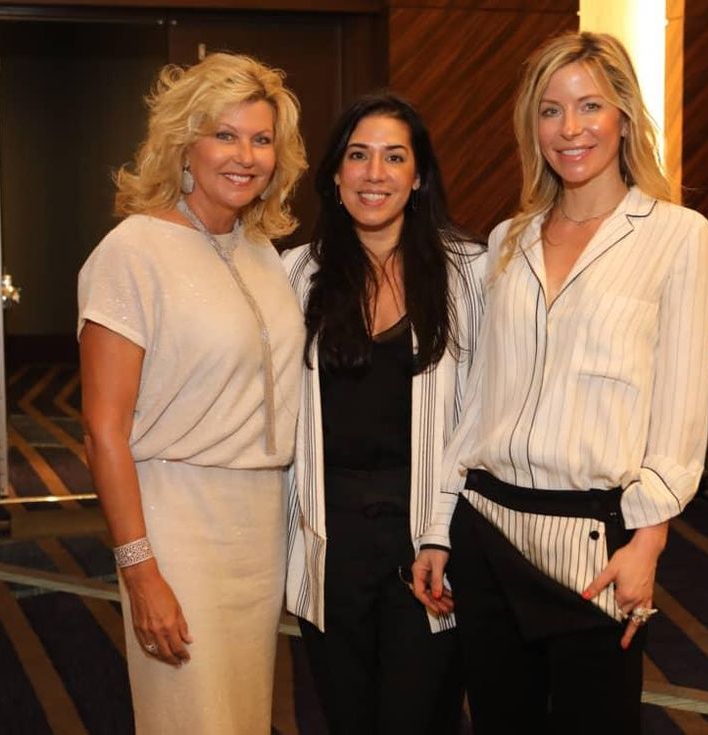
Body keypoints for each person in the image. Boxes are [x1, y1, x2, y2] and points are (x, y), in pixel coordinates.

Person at [411, 32, 708, 733]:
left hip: (595, 546)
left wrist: (648, 542)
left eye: (589, 106)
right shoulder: (508, 239)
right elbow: (478, 402)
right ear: (533, 126)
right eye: (551, 110)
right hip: (486, 528)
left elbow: (678, 411)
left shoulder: (678, 236)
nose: (570, 128)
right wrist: (438, 528)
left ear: (624, 117)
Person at [77, 53, 307, 734]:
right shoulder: (133, 251)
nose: (245, 156)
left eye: (261, 139)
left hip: (258, 526)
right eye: (224, 135)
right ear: (184, 145)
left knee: (243, 715)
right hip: (177, 520)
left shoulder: (263, 250)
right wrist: (140, 571)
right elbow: (102, 429)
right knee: (191, 718)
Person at [282, 92, 487, 734]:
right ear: (335, 175)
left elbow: (480, 416)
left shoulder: (469, 274)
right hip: (327, 534)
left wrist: (439, 533)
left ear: (418, 175)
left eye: (394, 157)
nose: (375, 174)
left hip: (428, 532)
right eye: (358, 156)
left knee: (419, 715)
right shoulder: (293, 275)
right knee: (347, 714)